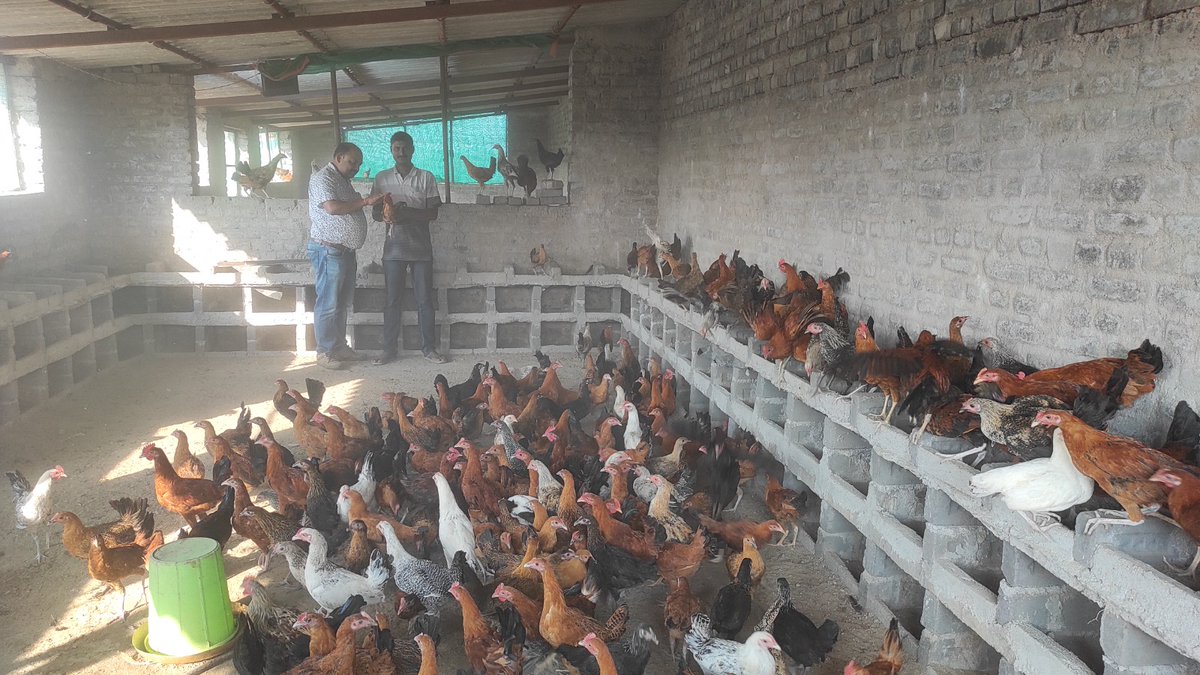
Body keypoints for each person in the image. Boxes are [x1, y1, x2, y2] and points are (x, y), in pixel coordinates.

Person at [370, 131, 446, 364]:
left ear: (413, 149)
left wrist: (407, 213)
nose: (401, 152)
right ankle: (388, 350)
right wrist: (387, 215)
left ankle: (429, 348)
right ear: (391, 151)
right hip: (393, 250)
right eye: (396, 148)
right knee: (392, 300)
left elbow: (433, 212)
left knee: (424, 300)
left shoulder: (426, 177)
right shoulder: (382, 178)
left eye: (405, 148)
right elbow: (374, 213)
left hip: (421, 249)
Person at [307, 142, 385, 370]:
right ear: (339, 157)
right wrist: (365, 201)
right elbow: (332, 208)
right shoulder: (323, 179)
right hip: (329, 250)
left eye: (359, 164)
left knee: (340, 303)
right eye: (352, 162)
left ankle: (338, 347)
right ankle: (324, 352)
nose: (356, 168)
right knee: (328, 303)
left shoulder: (342, 181)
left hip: (344, 251)